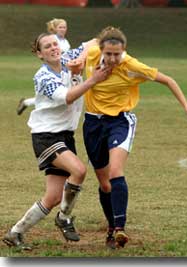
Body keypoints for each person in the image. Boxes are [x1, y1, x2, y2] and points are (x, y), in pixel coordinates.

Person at [82, 26, 187, 249]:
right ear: (102, 50)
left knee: (116, 171)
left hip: (119, 122)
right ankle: (111, 226)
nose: (112, 58)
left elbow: (168, 80)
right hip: (92, 124)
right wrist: (76, 65)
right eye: (108, 54)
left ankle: (119, 229)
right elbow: (86, 48)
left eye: (117, 54)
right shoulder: (92, 54)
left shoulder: (131, 67)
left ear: (123, 51)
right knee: (104, 184)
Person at [2, 33, 111, 250]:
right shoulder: (43, 77)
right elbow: (68, 97)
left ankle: (15, 233)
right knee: (79, 171)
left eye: (55, 44)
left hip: (65, 136)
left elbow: (89, 44)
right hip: (46, 136)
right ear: (40, 54)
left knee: (52, 197)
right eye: (47, 46)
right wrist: (91, 79)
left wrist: (109, 39)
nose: (53, 48)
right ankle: (64, 218)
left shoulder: (67, 59)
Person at [17, 18, 71, 116]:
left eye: (64, 27)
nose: (63, 29)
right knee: (55, 96)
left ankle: (26, 102)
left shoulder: (65, 41)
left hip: (64, 71)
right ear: (55, 28)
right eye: (60, 27)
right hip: (54, 70)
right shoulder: (52, 38)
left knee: (54, 95)